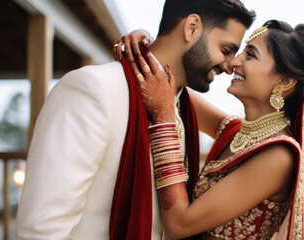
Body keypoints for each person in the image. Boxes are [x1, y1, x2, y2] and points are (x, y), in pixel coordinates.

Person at [16, 1, 255, 239]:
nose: (229, 66)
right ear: (191, 28)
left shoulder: (183, 107)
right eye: (226, 50)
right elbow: (42, 229)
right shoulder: (94, 89)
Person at [120, 19, 304, 239]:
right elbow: (165, 86)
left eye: (250, 55)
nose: (233, 62)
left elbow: (179, 225)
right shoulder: (235, 131)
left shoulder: (279, 156)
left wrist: (164, 118)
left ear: (285, 81)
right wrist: (148, 48)